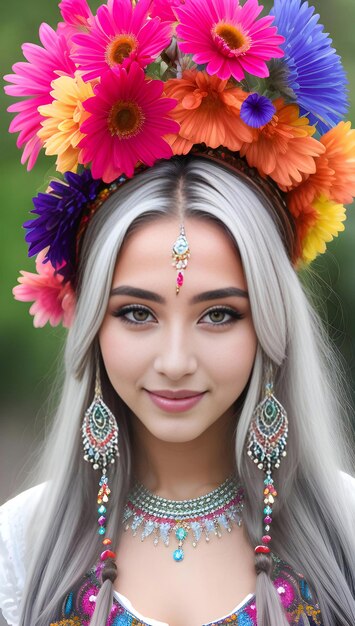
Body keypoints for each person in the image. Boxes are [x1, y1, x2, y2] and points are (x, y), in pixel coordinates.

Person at [1, 1, 355, 625]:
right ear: (89, 327)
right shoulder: (19, 551)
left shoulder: (347, 537)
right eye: (136, 313)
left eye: (219, 315)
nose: (174, 361)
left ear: (273, 326)